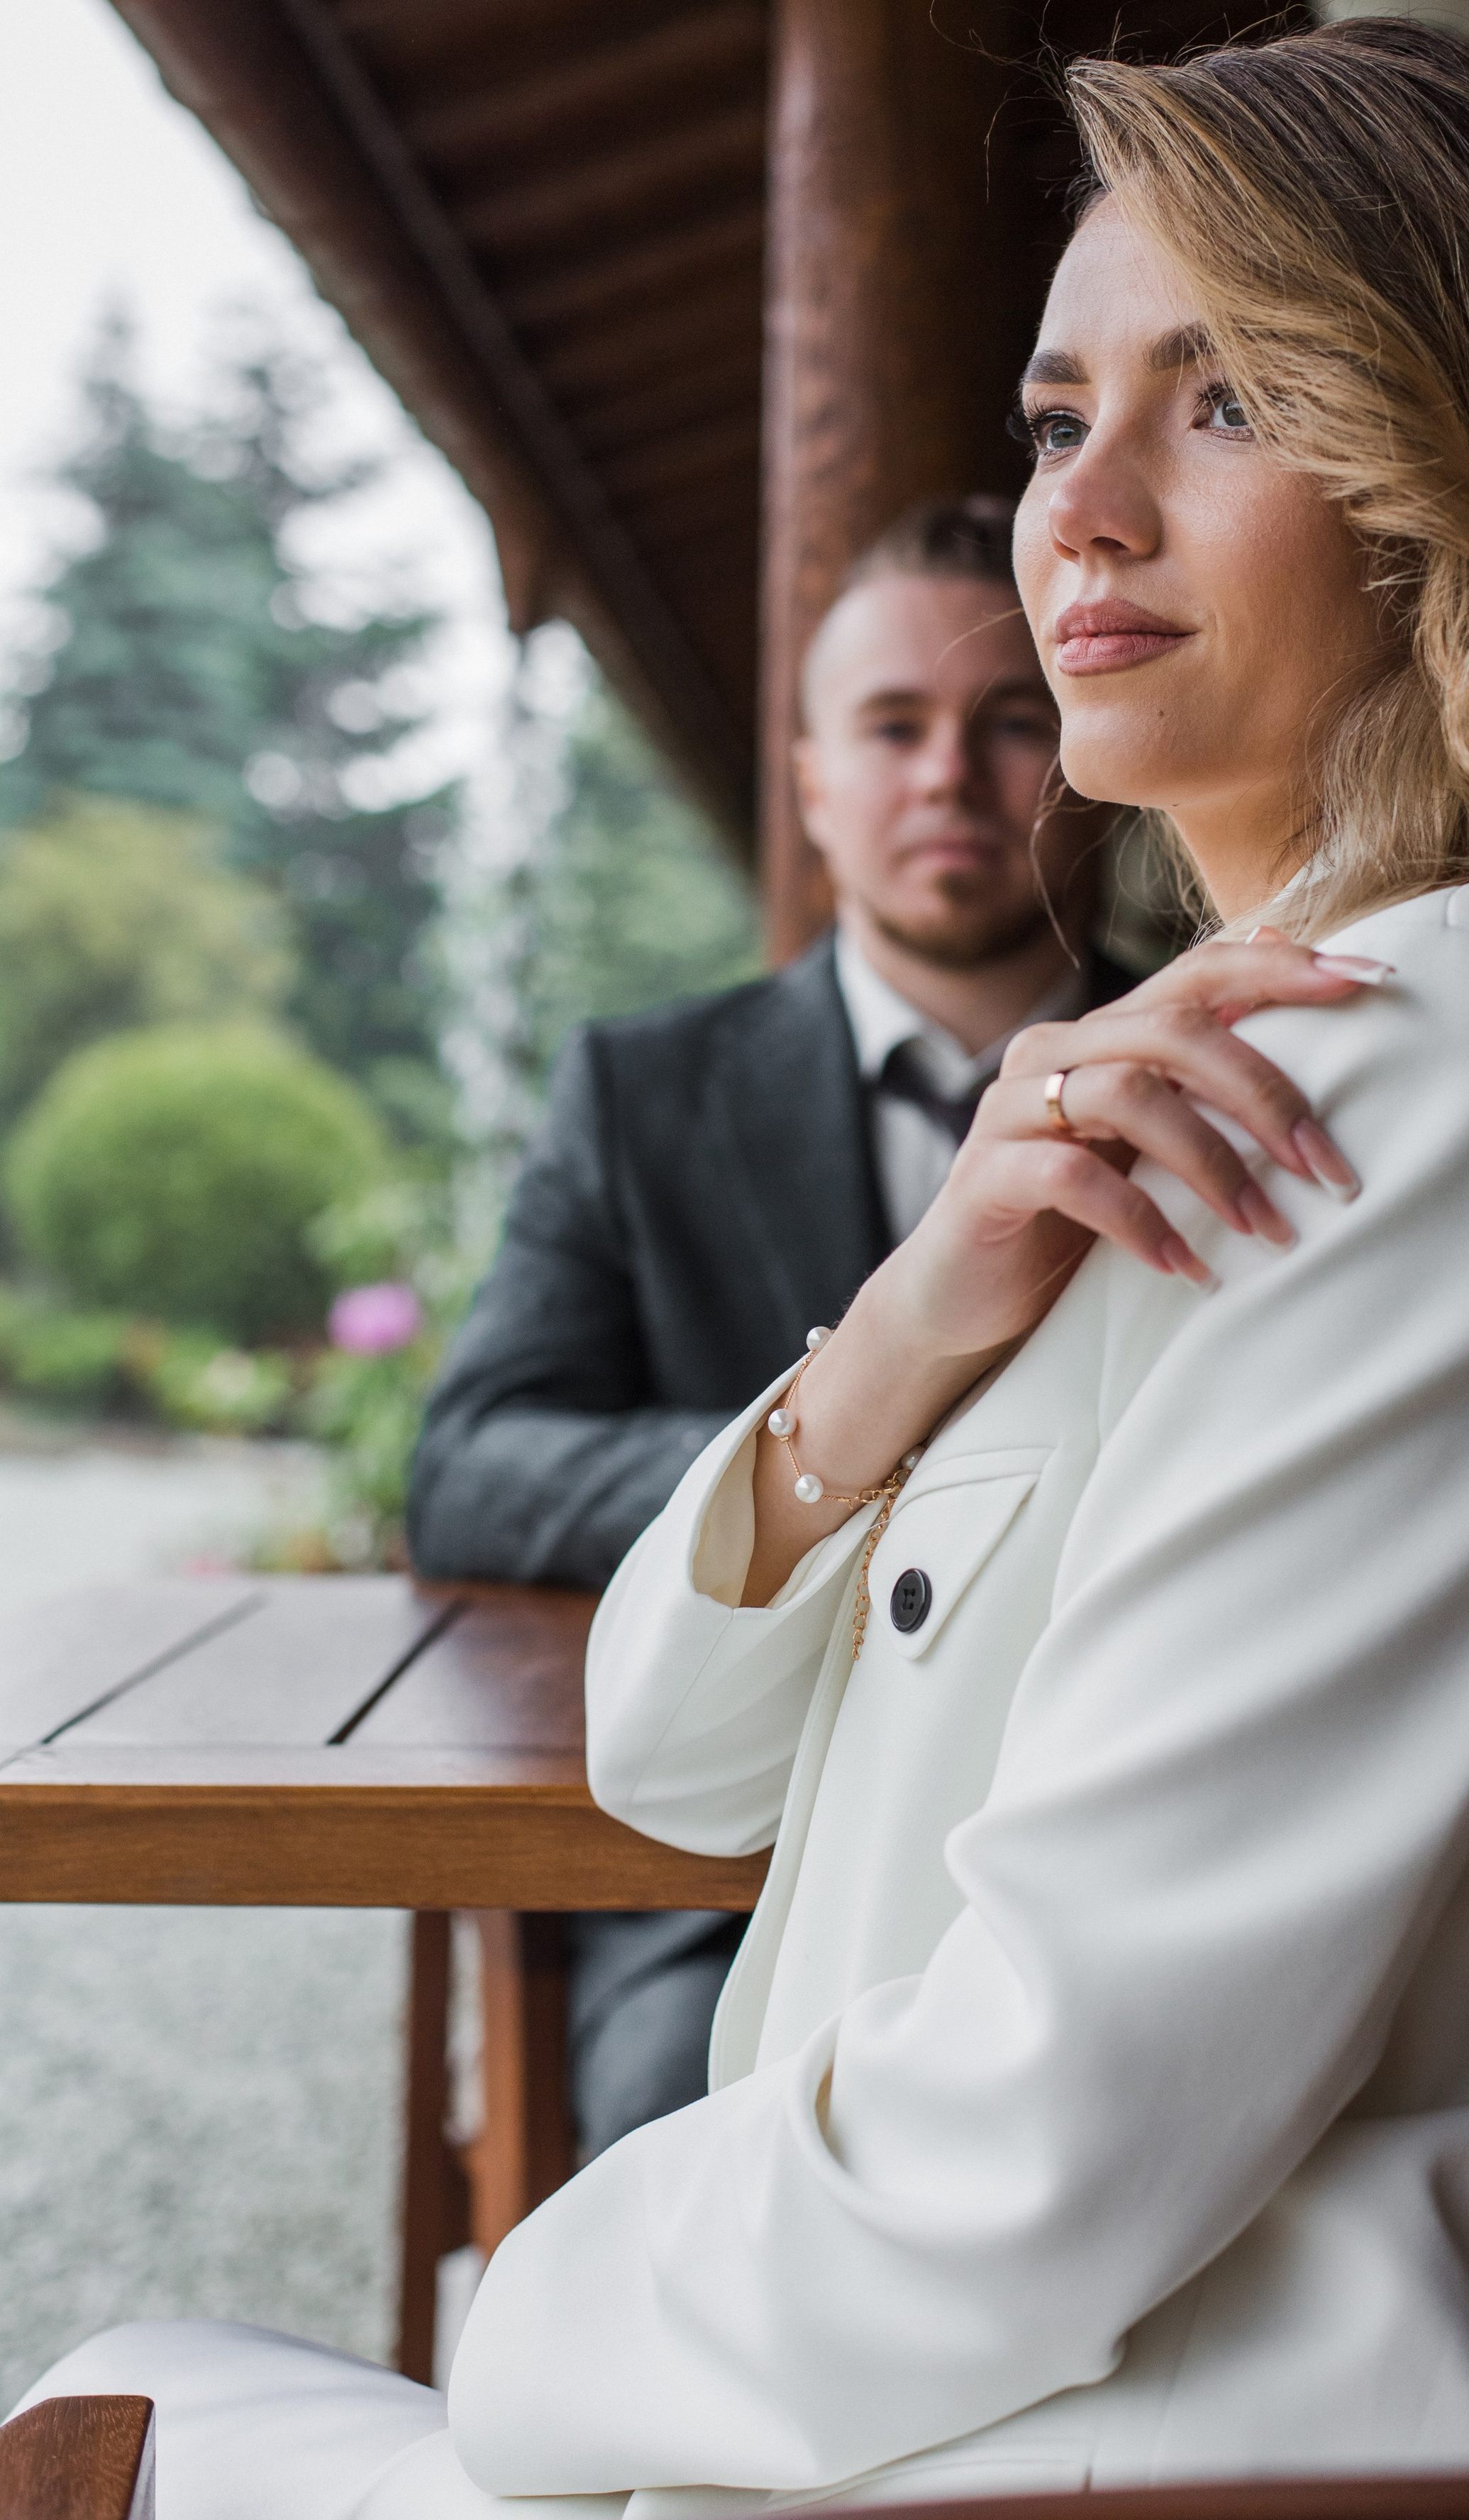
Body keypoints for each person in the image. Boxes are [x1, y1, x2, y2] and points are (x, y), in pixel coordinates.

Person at [23, 15, 1469, 2512]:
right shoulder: (1211, 1066)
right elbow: (670, 1756)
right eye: (1062, 417)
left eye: (1229, 401)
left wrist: (522, 2320)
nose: (1079, 518)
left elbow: (1051, 2132)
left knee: (98, 2420)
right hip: (997, 2405)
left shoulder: (1447, 1064)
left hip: (1148, 2451)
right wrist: (915, 1319)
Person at [407, 497, 1145, 2163]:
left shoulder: (1217, 1058)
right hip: (714, 1874)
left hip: (1102, 1835)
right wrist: (848, 1463)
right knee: (683, 2105)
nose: (945, 775)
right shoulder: (639, 1089)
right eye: (889, 727)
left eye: (1007, 719)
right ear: (809, 781)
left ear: (1085, 747)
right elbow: (469, 1460)